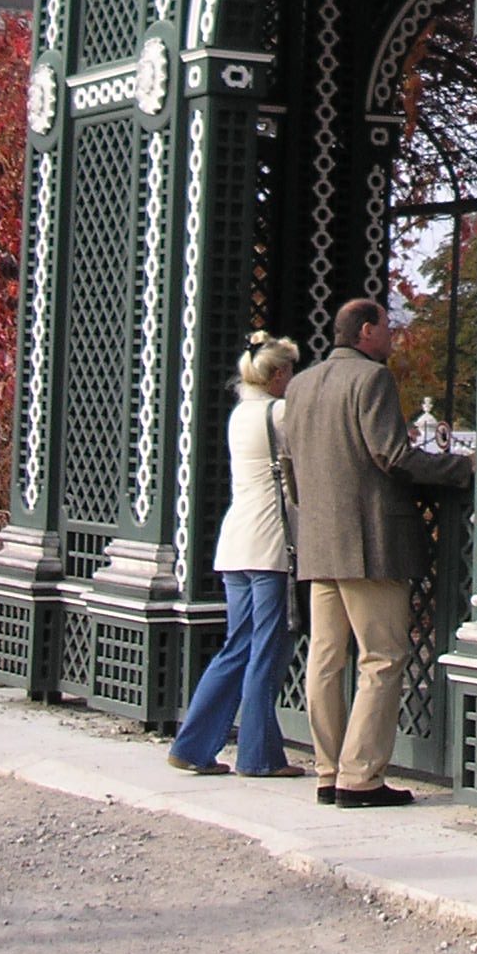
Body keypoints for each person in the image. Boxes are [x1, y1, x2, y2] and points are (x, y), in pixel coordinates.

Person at [281, 297, 472, 808]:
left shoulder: (300, 385)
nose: (393, 335)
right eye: (387, 326)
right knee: (383, 657)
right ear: (366, 331)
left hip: (320, 541)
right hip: (371, 542)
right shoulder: (373, 380)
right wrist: (462, 468)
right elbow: (392, 455)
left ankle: (327, 771)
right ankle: (360, 777)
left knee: (325, 659)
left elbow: (291, 467)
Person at [167, 332, 304, 779]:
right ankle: (258, 755)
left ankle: (193, 744)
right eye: (291, 371)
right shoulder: (279, 413)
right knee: (267, 649)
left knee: (237, 646)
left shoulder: (240, 414)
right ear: (278, 374)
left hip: (236, 541)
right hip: (270, 545)